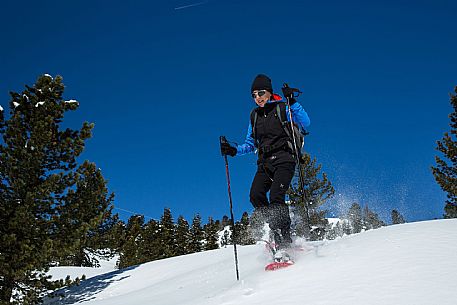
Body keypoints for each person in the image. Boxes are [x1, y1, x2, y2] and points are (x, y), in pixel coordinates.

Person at [221, 74, 310, 248]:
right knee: (255, 195)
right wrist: (233, 150)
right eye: (253, 95)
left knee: (276, 196)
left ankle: (284, 241)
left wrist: (292, 102)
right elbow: (249, 144)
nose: (257, 97)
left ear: (269, 92)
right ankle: (276, 229)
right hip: (265, 163)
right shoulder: (254, 116)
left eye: (260, 93)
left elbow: (305, 122)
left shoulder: (282, 107)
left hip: (285, 158)